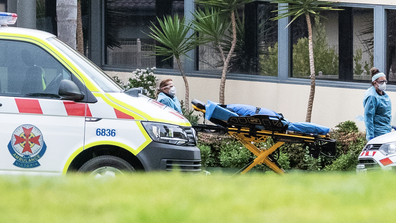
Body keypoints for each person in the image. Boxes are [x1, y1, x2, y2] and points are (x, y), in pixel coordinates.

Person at [363, 67, 392, 141]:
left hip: (386, 131)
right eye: (381, 82)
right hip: (377, 134)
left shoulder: (384, 94)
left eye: (385, 81)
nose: (384, 84)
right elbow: (368, 117)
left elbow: (386, 114)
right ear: (374, 82)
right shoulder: (372, 97)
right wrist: (370, 136)